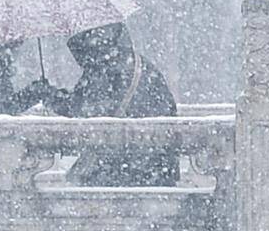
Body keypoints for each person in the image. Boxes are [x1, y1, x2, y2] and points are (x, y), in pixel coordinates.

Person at [67, 22, 183, 187]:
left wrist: (49, 96)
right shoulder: (139, 64)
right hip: (156, 167)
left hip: (119, 169)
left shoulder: (103, 69)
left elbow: (83, 109)